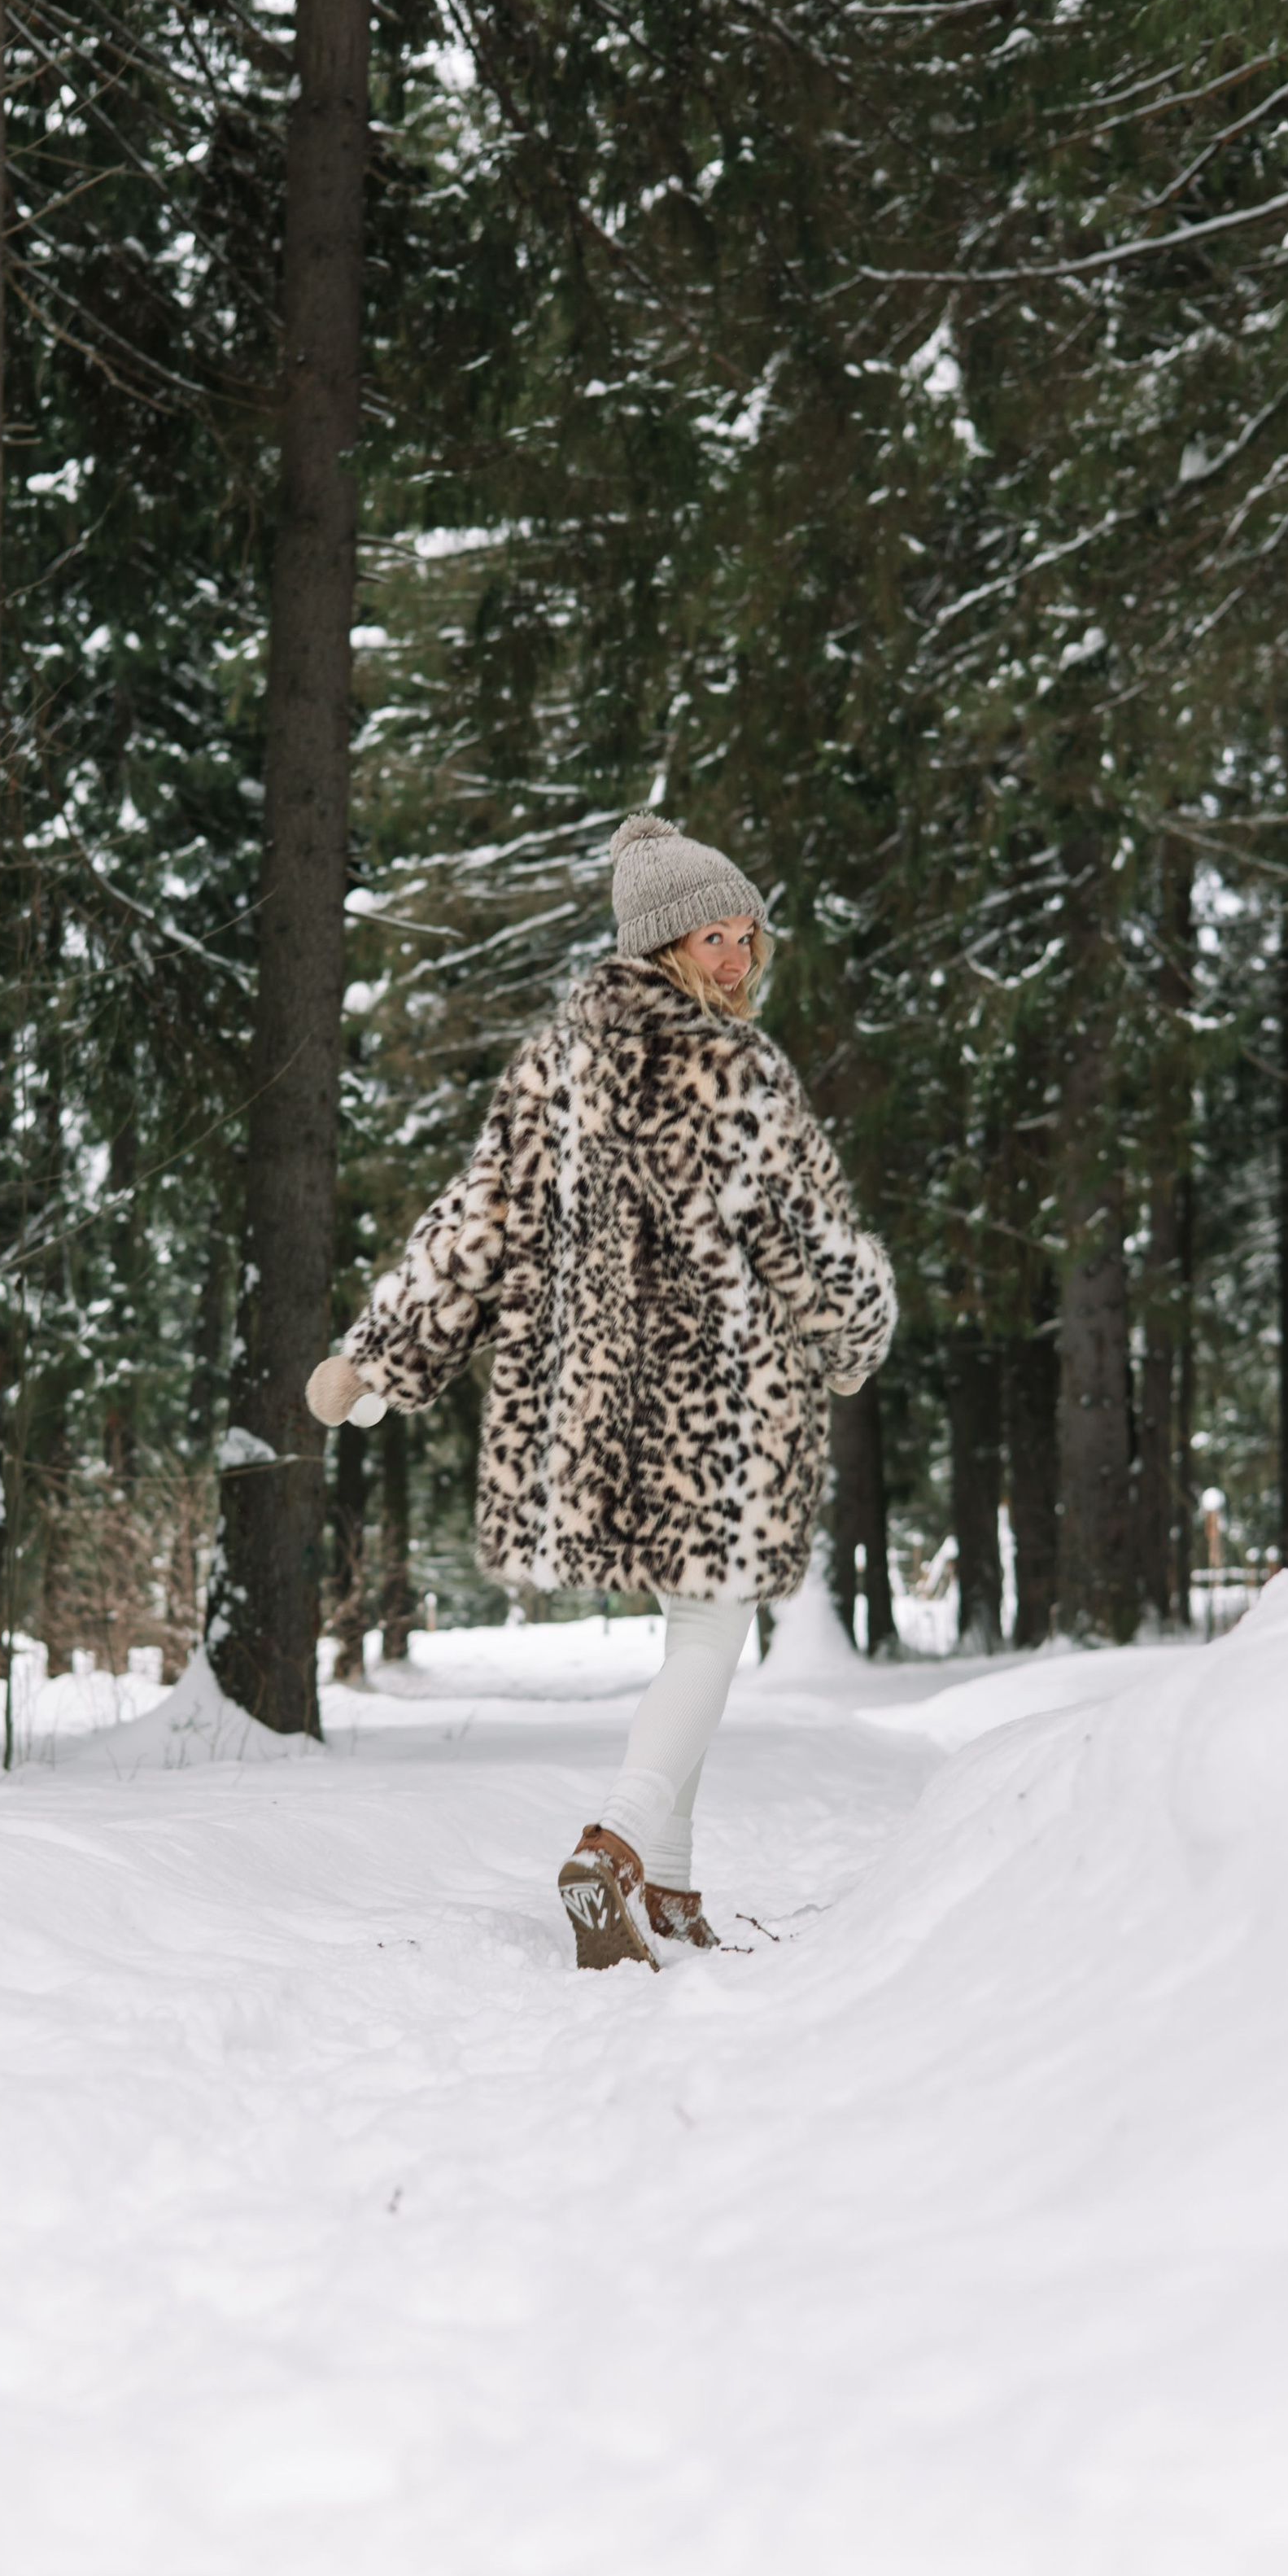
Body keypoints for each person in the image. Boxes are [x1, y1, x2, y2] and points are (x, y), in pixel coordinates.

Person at [307, 812, 896, 1970]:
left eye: (746, 935)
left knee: (694, 1630)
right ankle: (616, 1847)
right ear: (659, 947)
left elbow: (482, 1216)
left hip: (596, 1412)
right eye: (711, 937)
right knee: (716, 1631)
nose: (735, 958)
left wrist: (381, 1357)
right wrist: (858, 1322)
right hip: (718, 1403)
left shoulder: (554, 1066)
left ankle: (668, 1896)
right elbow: (808, 1241)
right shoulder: (740, 1070)